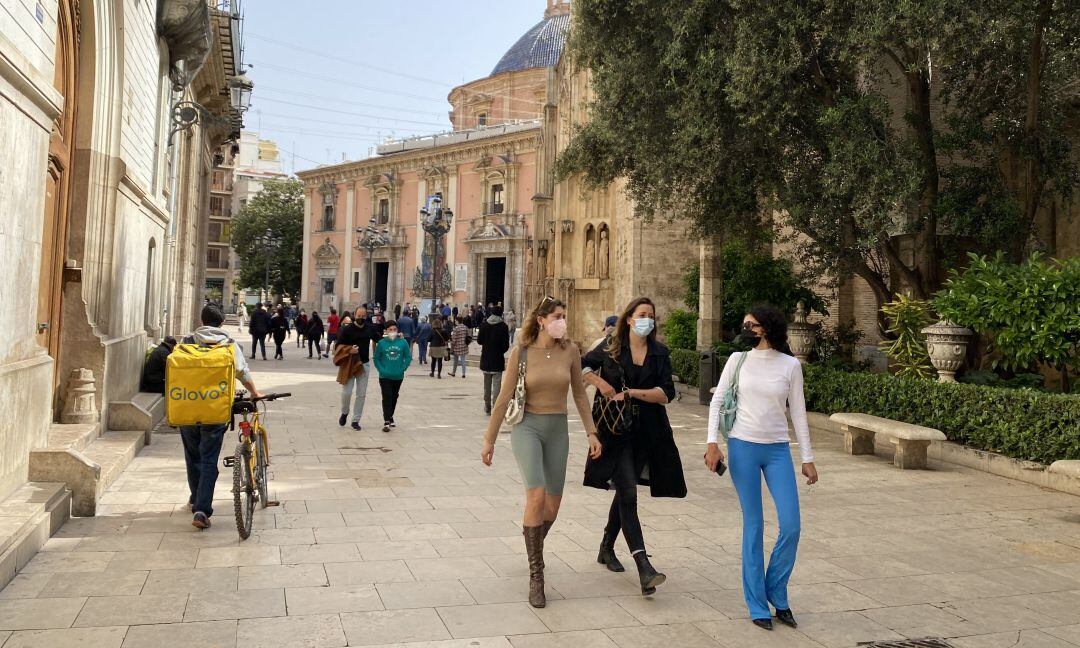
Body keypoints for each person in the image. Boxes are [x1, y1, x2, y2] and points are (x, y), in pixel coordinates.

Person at [481, 297, 602, 609]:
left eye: (565, 315)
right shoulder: (521, 352)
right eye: (558, 316)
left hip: (558, 430)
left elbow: (578, 392)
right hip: (527, 428)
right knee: (535, 496)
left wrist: (591, 432)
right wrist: (489, 439)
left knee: (552, 507)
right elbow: (504, 395)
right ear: (541, 320)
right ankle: (537, 576)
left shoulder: (571, 351)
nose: (563, 321)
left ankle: (531, 542)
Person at [705, 304, 819, 631]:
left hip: (778, 451)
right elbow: (718, 400)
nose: (745, 330)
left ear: (766, 328)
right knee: (753, 526)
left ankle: (777, 592)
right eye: (744, 325)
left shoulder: (790, 365)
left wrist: (807, 458)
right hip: (742, 447)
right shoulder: (737, 360)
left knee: (791, 526)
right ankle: (757, 603)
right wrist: (712, 443)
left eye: (751, 325)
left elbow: (798, 413)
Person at [582, 297, 686, 596]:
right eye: (642, 315)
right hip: (615, 431)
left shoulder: (659, 353)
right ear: (629, 318)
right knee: (627, 491)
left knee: (626, 491)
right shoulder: (610, 348)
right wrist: (601, 384)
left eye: (651, 315)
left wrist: (632, 393)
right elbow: (583, 366)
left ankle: (606, 546)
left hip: (647, 431)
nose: (647, 320)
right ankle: (644, 567)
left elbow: (667, 393)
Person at [181, 305, 262, 529]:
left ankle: (196, 498)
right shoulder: (228, 344)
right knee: (208, 459)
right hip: (215, 408)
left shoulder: (187, 341)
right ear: (221, 323)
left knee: (192, 456)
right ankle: (201, 509)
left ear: (201, 320)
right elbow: (242, 372)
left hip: (186, 405)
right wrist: (254, 392)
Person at [337, 306, 378, 430]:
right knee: (347, 392)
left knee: (361, 394)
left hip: (364, 365)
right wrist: (350, 350)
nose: (361, 318)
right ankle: (344, 412)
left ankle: (355, 420)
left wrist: (395, 337)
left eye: (363, 316)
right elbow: (338, 346)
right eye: (359, 316)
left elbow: (379, 339)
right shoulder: (347, 329)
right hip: (350, 364)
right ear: (354, 315)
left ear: (366, 316)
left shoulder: (369, 328)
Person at [374, 320, 412, 432]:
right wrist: (381, 369)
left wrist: (403, 368)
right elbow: (377, 358)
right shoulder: (381, 343)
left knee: (394, 397)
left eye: (394, 329)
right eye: (390, 330)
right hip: (385, 376)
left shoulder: (402, 342)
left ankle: (390, 416)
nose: (392, 331)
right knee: (387, 397)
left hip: (398, 375)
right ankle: (386, 420)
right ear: (386, 331)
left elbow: (408, 357)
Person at [478, 305, 511, 415]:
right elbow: (506, 345)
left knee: (486, 385)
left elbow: (479, 341)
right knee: (497, 385)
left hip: (486, 359)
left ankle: (487, 406)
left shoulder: (484, 325)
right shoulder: (503, 326)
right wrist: (499, 351)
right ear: (501, 313)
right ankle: (496, 405)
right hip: (497, 359)